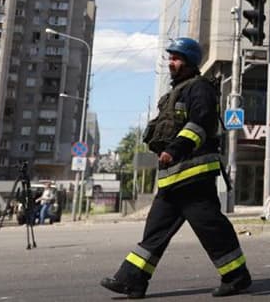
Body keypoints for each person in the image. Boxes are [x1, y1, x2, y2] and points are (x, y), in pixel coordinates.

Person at [101, 38, 252, 299]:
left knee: (211, 229)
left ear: (190, 62)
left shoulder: (200, 89)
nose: (171, 63)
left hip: (194, 175)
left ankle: (237, 277)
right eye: (170, 58)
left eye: (176, 58)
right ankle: (133, 281)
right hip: (173, 179)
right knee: (154, 232)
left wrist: (175, 149)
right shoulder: (176, 92)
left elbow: (200, 125)